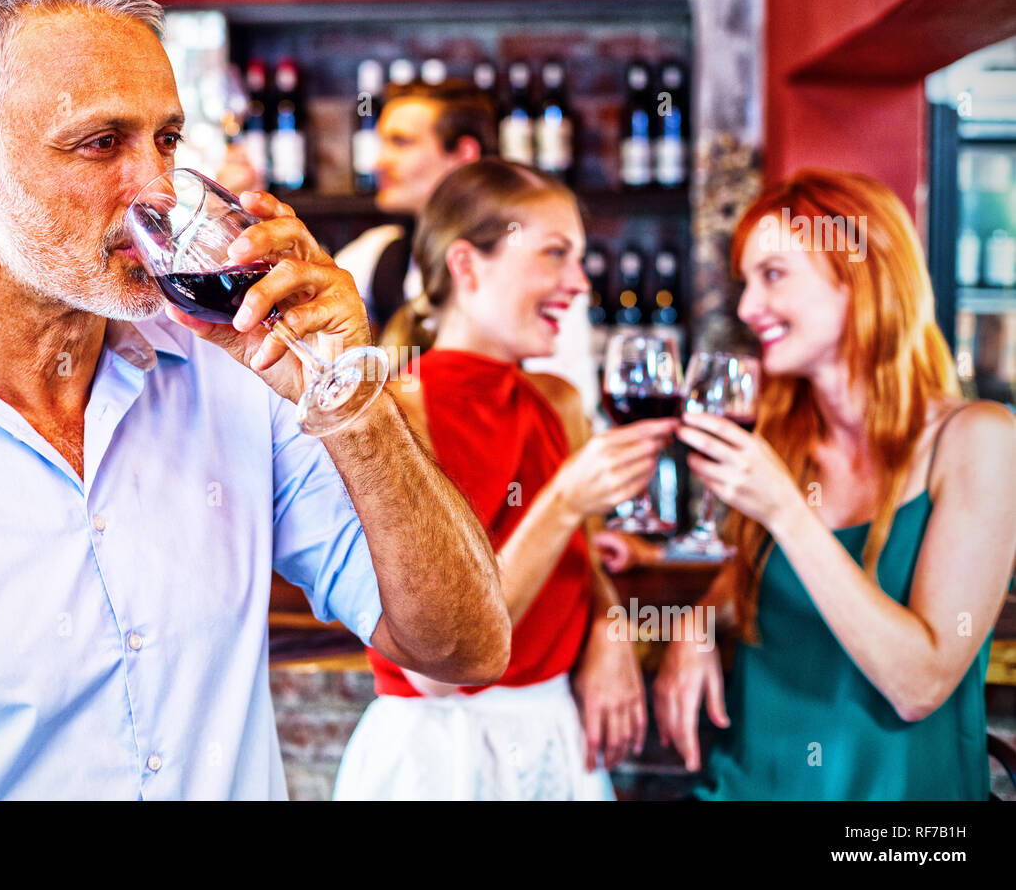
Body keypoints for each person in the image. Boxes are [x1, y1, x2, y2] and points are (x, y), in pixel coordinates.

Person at [0, 0, 512, 801]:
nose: (159, 188)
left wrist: (353, 396)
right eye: (102, 144)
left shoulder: (241, 377)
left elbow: (463, 650)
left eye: (166, 139)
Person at [647, 169, 1016, 800]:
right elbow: (749, 577)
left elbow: (920, 686)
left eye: (773, 275)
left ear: (859, 275)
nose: (745, 308)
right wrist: (696, 624)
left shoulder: (980, 439)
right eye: (746, 281)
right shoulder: (781, 435)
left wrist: (788, 511)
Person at [332, 159, 677, 800]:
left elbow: (580, 560)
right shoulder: (397, 414)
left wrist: (609, 626)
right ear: (467, 265)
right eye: (555, 254)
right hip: (441, 757)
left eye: (579, 258)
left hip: (555, 740)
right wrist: (567, 499)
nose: (579, 282)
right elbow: (441, 668)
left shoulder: (560, 402)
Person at [334, 78, 495, 333]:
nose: (379, 163)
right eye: (382, 143)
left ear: (463, 155)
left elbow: (564, 371)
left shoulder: (517, 258)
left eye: (400, 142)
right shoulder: (376, 253)